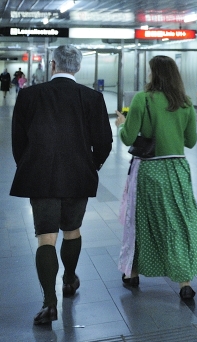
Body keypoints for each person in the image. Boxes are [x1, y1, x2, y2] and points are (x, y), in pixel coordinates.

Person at [9, 45, 113, 325]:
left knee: (45, 237)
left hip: (39, 175)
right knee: (72, 230)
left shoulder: (29, 95)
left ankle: (48, 303)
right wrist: (93, 165)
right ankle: (69, 279)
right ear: (77, 68)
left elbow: (18, 140)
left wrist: (28, 164)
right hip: (78, 175)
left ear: (52, 65)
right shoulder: (92, 98)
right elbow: (104, 142)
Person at [115, 55, 197, 300]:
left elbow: (128, 138)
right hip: (178, 170)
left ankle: (132, 273)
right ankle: (184, 281)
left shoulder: (142, 99)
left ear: (154, 74)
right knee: (176, 224)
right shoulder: (185, 103)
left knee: (140, 223)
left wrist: (121, 124)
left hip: (149, 170)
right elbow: (191, 142)